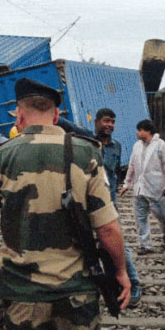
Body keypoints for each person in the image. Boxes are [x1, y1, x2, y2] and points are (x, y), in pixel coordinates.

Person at [0, 78, 130, 330]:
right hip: (77, 292)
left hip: (22, 294)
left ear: (20, 114)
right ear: (56, 115)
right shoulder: (88, 153)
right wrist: (120, 272)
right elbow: (108, 228)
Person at [57, 108, 142, 306]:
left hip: (109, 205)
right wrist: (54, 115)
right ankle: (106, 286)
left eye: (112, 122)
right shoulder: (88, 141)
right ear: (96, 122)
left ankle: (134, 284)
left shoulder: (116, 147)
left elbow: (114, 176)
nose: (109, 125)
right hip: (87, 205)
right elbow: (70, 126)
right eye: (106, 121)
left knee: (118, 245)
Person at [120, 119, 165, 254]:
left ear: (148, 131)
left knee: (162, 214)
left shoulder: (160, 145)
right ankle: (146, 245)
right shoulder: (136, 146)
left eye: (140, 130)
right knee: (140, 217)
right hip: (139, 187)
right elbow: (131, 165)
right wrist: (127, 183)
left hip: (156, 187)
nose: (138, 133)